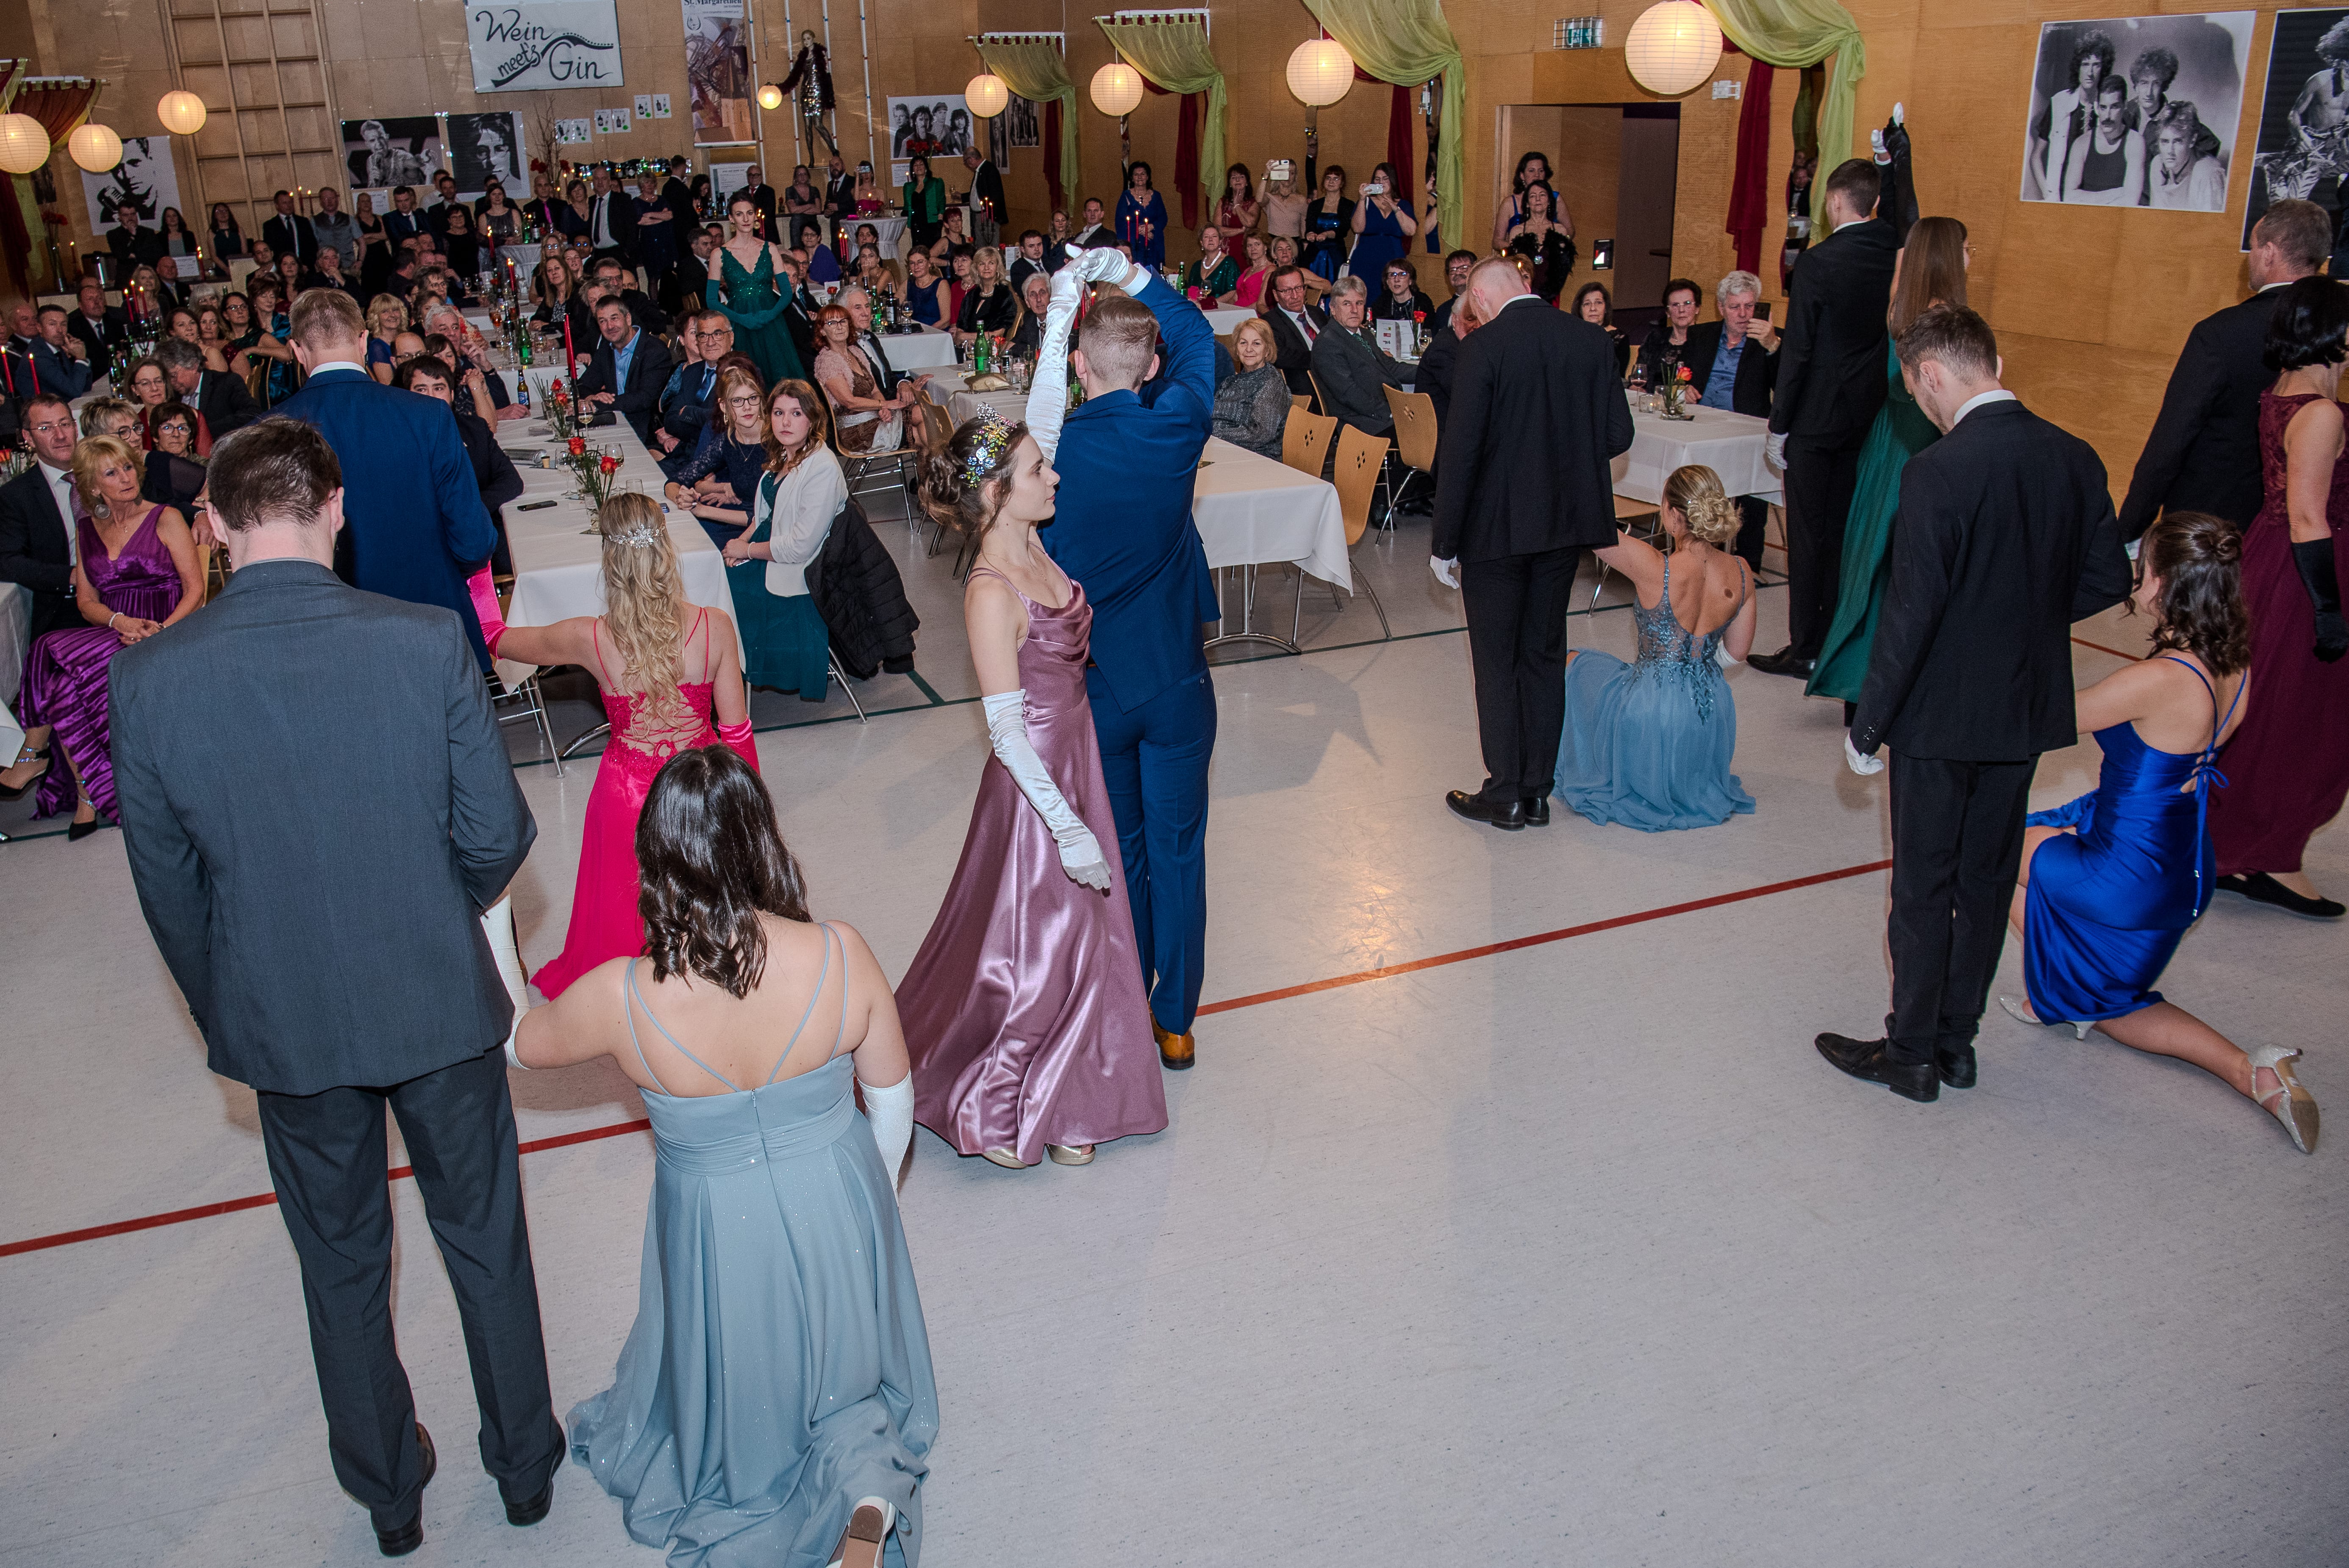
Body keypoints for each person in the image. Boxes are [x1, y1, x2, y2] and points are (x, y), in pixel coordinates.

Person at [111, 418, 561, 1556]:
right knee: (486, 1238)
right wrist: (426, 908)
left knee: (341, 1263)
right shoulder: (423, 639)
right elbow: (497, 834)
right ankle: (523, 1469)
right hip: (434, 995)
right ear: (337, 508)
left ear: (215, 527)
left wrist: (236, 1000)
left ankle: (389, 1496)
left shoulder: (151, 676)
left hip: (286, 1013)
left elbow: (169, 891)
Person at [514, 743, 934, 1567]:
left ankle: (771, 1492)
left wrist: (493, 923)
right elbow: (893, 1102)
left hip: (717, 1227)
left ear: (655, 858)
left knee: (745, 1391)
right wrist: (869, 1213)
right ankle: (867, 1494)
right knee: (843, 1387)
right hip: (833, 1201)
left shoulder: (619, 995)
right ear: (762, 836)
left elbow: (516, 1045)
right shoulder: (841, 951)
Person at [1820, 305, 2133, 1103]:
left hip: (1937, 713)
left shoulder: (1937, 470)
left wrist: (1868, 724)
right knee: (1987, 880)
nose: (1920, 406)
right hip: (2021, 707)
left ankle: (1909, 1054)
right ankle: (1957, 1044)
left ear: (1930, 374)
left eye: (1914, 389)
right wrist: (2021, 619)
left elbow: (1911, 615)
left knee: (1923, 885)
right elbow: (2107, 579)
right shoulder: (2074, 455)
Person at [896, 406, 1169, 1162]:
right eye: (1037, 471)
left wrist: (1057, 335)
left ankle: (1079, 1090)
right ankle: (1006, 1099)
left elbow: (1039, 413)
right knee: (1044, 944)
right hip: (1037, 785)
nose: (1054, 477)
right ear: (995, 494)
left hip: (1077, 753)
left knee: (1086, 936)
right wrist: (1068, 826)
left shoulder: (1031, 539)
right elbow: (1007, 735)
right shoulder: (990, 593)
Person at [1998, 511, 2317, 1153]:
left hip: (2126, 873)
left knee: (1991, 850)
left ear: (2167, 583)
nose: (2136, 584)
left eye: (2142, 572)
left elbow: (2036, 718)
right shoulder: (2234, 663)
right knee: (2116, 1000)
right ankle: (2253, 1072)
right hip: (2184, 863)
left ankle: (2063, 991)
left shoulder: (2158, 679)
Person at [1019, 246, 1222, 1069]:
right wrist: (1135, 276)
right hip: (1174, 678)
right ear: (1151, 367)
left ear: (1078, 366)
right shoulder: (1177, 425)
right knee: (1179, 852)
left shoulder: (1048, 457)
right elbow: (1197, 335)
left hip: (1096, 684)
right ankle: (1176, 1021)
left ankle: (1127, 995)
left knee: (1122, 849)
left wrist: (1061, 316)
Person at [493, 491, 756, 998]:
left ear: (610, 559)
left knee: (620, 925)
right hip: (698, 795)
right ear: (666, 549)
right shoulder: (715, 626)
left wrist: (476, 580)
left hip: (627, 800)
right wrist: (745, 811)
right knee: (708, 908)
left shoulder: (588, 637)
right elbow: (738, 736)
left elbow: (498, 639)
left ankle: (626, 1004)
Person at [1431, 259, 1634, 832]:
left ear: (1481, 297)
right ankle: (1539, 791)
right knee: (1543, 654)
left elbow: (1462, 450)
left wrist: (1444, 541)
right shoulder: (1591, 341)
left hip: (1494, 531)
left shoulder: (1483, 347)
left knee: (1497, 661)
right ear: (1524, 286)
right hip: (1562, 526)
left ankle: (1505, 793)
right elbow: (1618, 434)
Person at [2206, 275, 2349, 919]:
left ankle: (2244, 844)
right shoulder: (2320, 413)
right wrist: (2328, 610)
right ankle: (2269, 855)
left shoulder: (2287, 390)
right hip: (2303, 575)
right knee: (2302, 721)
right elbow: (2308, 518)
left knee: (2266, 711)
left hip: (2273, 561)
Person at [275, 288, 503, 669]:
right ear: (364, 341)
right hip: (431, 619)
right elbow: (473, 541)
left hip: (327, 637)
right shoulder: (427, 415)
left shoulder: (270, 430)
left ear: (297, 350)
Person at [1810, 218, 1969, 705]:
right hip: (1918, 442)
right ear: (1948, 255)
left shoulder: (1904, 304)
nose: (1972, 256)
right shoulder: (1943, 319)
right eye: (1966, 248)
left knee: (1876, 560)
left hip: (1888, 440)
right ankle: (1883, 681)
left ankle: (1863, 682)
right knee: (1903, 567)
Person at [1751, 158, 1899, 679]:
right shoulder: (1892, 250)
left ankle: (1805, 647)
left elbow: (1799, 351)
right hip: (1866, 415)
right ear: (1873, 202)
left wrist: (1780, 424)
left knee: (1807, 537)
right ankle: (1837, 637)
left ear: (1835, 201)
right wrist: (1894, 162)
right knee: (1843, 532)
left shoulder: (1819, 262)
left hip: (1815, 419)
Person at [17, 434, 201, 835]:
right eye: (112, 473)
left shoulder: (165, 517)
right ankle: (87, 789)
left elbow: (196, 590)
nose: (126, 477)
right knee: (60, 678)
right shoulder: (87, 528)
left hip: (166, 625)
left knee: (52, 655)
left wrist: (160, 631)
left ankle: (38, 758)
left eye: (128, 467)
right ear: (94, 486)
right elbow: (87, 603)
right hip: (116, 628)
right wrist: (120, 622)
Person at [1556, 465, 1758, 830]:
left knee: (1575, 664)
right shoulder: (1741, 571)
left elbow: (1591, 528)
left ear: (1674, 515)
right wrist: (1695, 668)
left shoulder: (1656, 568)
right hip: (1711, 712)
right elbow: (1737, 652)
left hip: (1652, 709)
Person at [2124, 202, 2328, 546]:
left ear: (2269, 253)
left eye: (2252, 247)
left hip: (2211, 527)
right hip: (2299, 528)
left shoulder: (2223, 333)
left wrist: (2129, 528)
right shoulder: (2334, 332)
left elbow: (2170, 443)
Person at [720, 380, 846, 700]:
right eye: (778, 413)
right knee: (714, 576)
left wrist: (748, 550)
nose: (785, 422)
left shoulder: (822, 467)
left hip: (796, 569)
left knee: (719, 596)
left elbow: (800, 547)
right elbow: (764, 517)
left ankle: (725, 682)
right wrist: (739, 545)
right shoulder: (784, 456)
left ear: (813, 419)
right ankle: (718, 681)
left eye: (796, 413)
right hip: (768, 553)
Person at [397, 356, 523, 574]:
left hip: (479, 531)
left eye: (439, 388)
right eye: (421, 390)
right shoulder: (398, 442)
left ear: (452, 395)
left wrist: (468, 509)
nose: (431, 397)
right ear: (407, 395)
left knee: (521, 553)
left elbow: (512, 481)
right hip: (426, 542)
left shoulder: (475, 430)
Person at [664, 362, 771, 549]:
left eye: (753, 398)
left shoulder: (775, 441)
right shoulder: (728, 441)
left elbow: (767, 516)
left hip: (766, 532)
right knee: (677, 540)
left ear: (761, 400)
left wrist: (701, 511)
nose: (747, 407)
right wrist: (682, 498)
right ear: (723, 406)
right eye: (737, 401)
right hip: (739, 523)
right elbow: (674, 482)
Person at [708, 192, 806, 385]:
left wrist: (770, 315)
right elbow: (711, 300)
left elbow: (787, 293)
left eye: (749, 213)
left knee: (782, 380)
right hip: (739, 323)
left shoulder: (771, 248)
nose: (745, 219)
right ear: (731, 218)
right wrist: (741, 319)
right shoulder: (718, 254)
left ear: (755, 215)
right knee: (747, 380)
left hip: (772, 322)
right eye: (739, 214)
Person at [1310, 275, 1406, 440]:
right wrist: (1391, 412)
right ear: (1333, 309)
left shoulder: (1364, 334)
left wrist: (1426, 370)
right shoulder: (1328, 343)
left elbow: (1389, 367)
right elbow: (1349, 393)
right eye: (1347, 304)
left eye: (1359, 303)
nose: (1354, 310)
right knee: (1427, 432)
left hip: (1379, 411)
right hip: (1360, 423)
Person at [573, 294, 676, 446]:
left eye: (614, 318)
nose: (610, 326)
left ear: (628, 319)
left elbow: (644, 398)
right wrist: (590, 398)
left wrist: (598, 405)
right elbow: (584, 384)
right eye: (603, 321)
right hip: (612, 423)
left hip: (645, 432)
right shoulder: (607, 349)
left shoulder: (654, 351)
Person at [813, 302, 912, 457]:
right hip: (856, 430)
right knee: (923, 424)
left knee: (925, 421)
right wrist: (884, 404)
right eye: (832, 323)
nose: (840, 327)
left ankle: (930, 472)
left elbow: (875, 390)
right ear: (822, 331)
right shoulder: (827, 361)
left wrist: (884, 409)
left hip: (875, 417)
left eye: (843, 321)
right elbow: (849, 402)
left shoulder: (856, 352)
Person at [2030, 29, 2117, 202]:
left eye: (2096, 65)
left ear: (2104, 68)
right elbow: (2036, 157)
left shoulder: (2108, 110)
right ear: (2078, 67)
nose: (2090, 72)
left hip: (2091, 198)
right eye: (2085, 64)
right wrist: (2048, 193)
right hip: (2058, 198)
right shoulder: (2059, 103)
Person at [153, 337, 264, 441]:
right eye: (168, 378)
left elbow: (253, 413)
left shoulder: (227, 383)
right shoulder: (173, 395)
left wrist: (204, 431)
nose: (172, 382)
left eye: (173, 376)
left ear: (193, 366)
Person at [1212, 317, 1290, 459]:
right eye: (1243, 343)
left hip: (1257, 457)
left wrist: (1212, 433)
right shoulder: (1233, 381)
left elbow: (1260, 434)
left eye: (1257, 344)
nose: (1249, 349)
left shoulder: (1271, 383)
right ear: (1237, 349)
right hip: (1224, 450)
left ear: (1267, 350)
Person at [2063, 74, 2145, 206]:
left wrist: (2085, 197)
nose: (2107, 116)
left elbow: (2131, 201)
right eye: (2103, 107)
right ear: (2096, 107)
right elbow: (2069, 198)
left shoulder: (2135, 142)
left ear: (2125, 105)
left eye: (2114, 107)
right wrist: (2117, 193)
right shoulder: (2081, 144)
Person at [2145, 102, 2227, 211]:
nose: (2170, 151)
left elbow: (2211, 221)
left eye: (2178, 141)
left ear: (2192, 140)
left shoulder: (2208, 172)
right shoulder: (2158, 164)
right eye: (2165, 141)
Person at [1503, 184, 1576, 305]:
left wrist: (1552, 290)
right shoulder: (1517, 231)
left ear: (1549, 201)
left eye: (1542, 195)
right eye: (1533, 196)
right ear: (1527, 203)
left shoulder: (1560, 230)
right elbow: (1513, 264)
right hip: (1523, 293)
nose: (1538, 199)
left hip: (1552, 295)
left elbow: (1564, 264)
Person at [1346, 162, 1417, 283]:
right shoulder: (1366, 202)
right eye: (1377, 179)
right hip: (1365, 259)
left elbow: (1411, 231)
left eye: (1385, 179)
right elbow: (1357, 229)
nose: (1381, 182)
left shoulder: (1403, 205)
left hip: (1394, 260)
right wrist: (1362, 199)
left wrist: (1395, 208)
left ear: (1393, 180)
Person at [1492, 150, 1568, 252]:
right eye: (1532, 171)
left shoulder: (1556, 198)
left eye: (1541, 171)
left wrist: (1556, 247)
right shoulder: (1509, 203)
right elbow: (1497, 241)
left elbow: (1569, 231)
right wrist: (1519, 249)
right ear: (1522, 176)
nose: (1537, 175)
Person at [1637, 277, 1703, 389]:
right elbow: (1639, 375)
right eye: (1675, 305)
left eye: (1687, 303)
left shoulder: (1706, 342)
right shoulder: (1654, 338)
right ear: (1667, 312)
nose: (1681, 310)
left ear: (1697, 308)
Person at [953, 244, 1018, 348]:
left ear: (998, 267)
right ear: (976, 269)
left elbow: (998, 335)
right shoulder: (971, 296)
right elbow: (959, 334)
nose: (987, 268)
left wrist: (968, 337)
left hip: (992, 350)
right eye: (982, 264)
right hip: (967, 349)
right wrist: (965, 339)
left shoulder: (1004, 295)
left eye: (991, 263)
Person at [66, 278, 128, 382]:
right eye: (90, 299)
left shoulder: (116, 324)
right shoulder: (73, 329)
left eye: (99, 298)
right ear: (81, 306)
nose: (97, 302)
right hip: (92, 381)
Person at [1113, 161, 1169, 270]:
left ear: (1148, 177)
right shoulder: (1126, 196)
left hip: (1153, 242)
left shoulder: (1157, 196)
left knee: (1154, 272)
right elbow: (1120, 222)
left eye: (1143, 174)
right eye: (1136, 174)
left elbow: (1163, 218)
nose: (1140, 177)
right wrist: (1140, 230)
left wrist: (1151, 227)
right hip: (1134, 244)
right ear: (1132, 178)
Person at [1569, 281, 1632, 378]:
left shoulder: (1620, 338)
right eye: (1587, 304)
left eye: (1598, 303)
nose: (1593, 308)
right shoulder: (1570, 337)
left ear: (1606, 308)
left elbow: (1618, 376)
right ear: (1580, 309)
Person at [1183, 224, 1238, 303]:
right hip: (1198, 308)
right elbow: (1190, 292)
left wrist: (1211, 304)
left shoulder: (1229, 263)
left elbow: (1233, 292)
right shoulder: (1196, 266)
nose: (1210, 239)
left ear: (1220, 241)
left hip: (1222, 308)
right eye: (1206, 237)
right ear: (1202, 243)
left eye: (1214, 236)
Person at [962, 145, 1006, 244]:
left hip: (988, 216)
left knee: (990, 244)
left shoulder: (989, 170)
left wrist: (989, 211)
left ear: (971, 159)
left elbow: (995, 194)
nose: (968, 165)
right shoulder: (980, 171)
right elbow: (978, 193)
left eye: (966, 161)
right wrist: (962, 197)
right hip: (981, 215)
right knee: (981, 244)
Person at [902, 153, 946, 251]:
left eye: (921, 164)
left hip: (932, 223)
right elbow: (907, 207)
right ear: (913, 170)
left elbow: (942, 201)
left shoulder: (935, 183)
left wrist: (940, 218)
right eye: (916, 165)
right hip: (916, 223)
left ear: (926, 168)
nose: (919, 167)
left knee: (933, 250)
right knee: (918, 250)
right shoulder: (908, 187)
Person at [261, 188, 317, 266]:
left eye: (290, 202)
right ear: (277, 206)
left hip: (305, 266)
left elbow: (312, 245)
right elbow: (271, 250)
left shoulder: (303, 222)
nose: (289, 206)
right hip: (283, 267)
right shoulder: (270, 226)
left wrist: (308, 264)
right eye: (285, 203)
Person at [1371, 257, 1434, 324]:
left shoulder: (1423, 302)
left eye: (1402, 274)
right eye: (1393, 275)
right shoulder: (1382, 302)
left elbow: (1429, 328)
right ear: (1387, 281)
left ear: (1410, 280)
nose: (1397, 280)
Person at [903, 245, 952, 327]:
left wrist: (928, 332)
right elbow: (892, 305)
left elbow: (946, 320)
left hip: (937, 331)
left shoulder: (941, 284)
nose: (916, 267)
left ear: (929, 264)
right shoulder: (908, 283)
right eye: (912, 263)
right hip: (915, 331)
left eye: (920, 262)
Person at [1009, 269, 1052, 361]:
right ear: (1027, 302)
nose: (1039, 299)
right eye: (1033, 295)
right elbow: (1013, 347)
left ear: (1051, 296)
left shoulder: (1060, 319)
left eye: (1042, 292)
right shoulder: (1030, 319)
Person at [1216, 163, 1259, 250]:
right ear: (1230, 184)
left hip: (1247, 250)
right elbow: (1217, 230)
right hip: (1225, 250)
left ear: (1247, 182)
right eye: (1234, 177)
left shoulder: (1253, 203)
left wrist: (1237, 205)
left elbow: (1250, 223)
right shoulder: (1222, 202)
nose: (1238, 180)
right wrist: (1240, 231)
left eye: (1242, 177)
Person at [1231, 233, 1274, 310]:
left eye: (1257, 244)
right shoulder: (1247, 270)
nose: (1253, 249)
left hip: (1254, 315)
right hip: (1238, 312)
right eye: (1249, 246)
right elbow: (1235, 298)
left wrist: (1240, 312)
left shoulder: (1271, 270)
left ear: (1265, 247)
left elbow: (1264, 302)